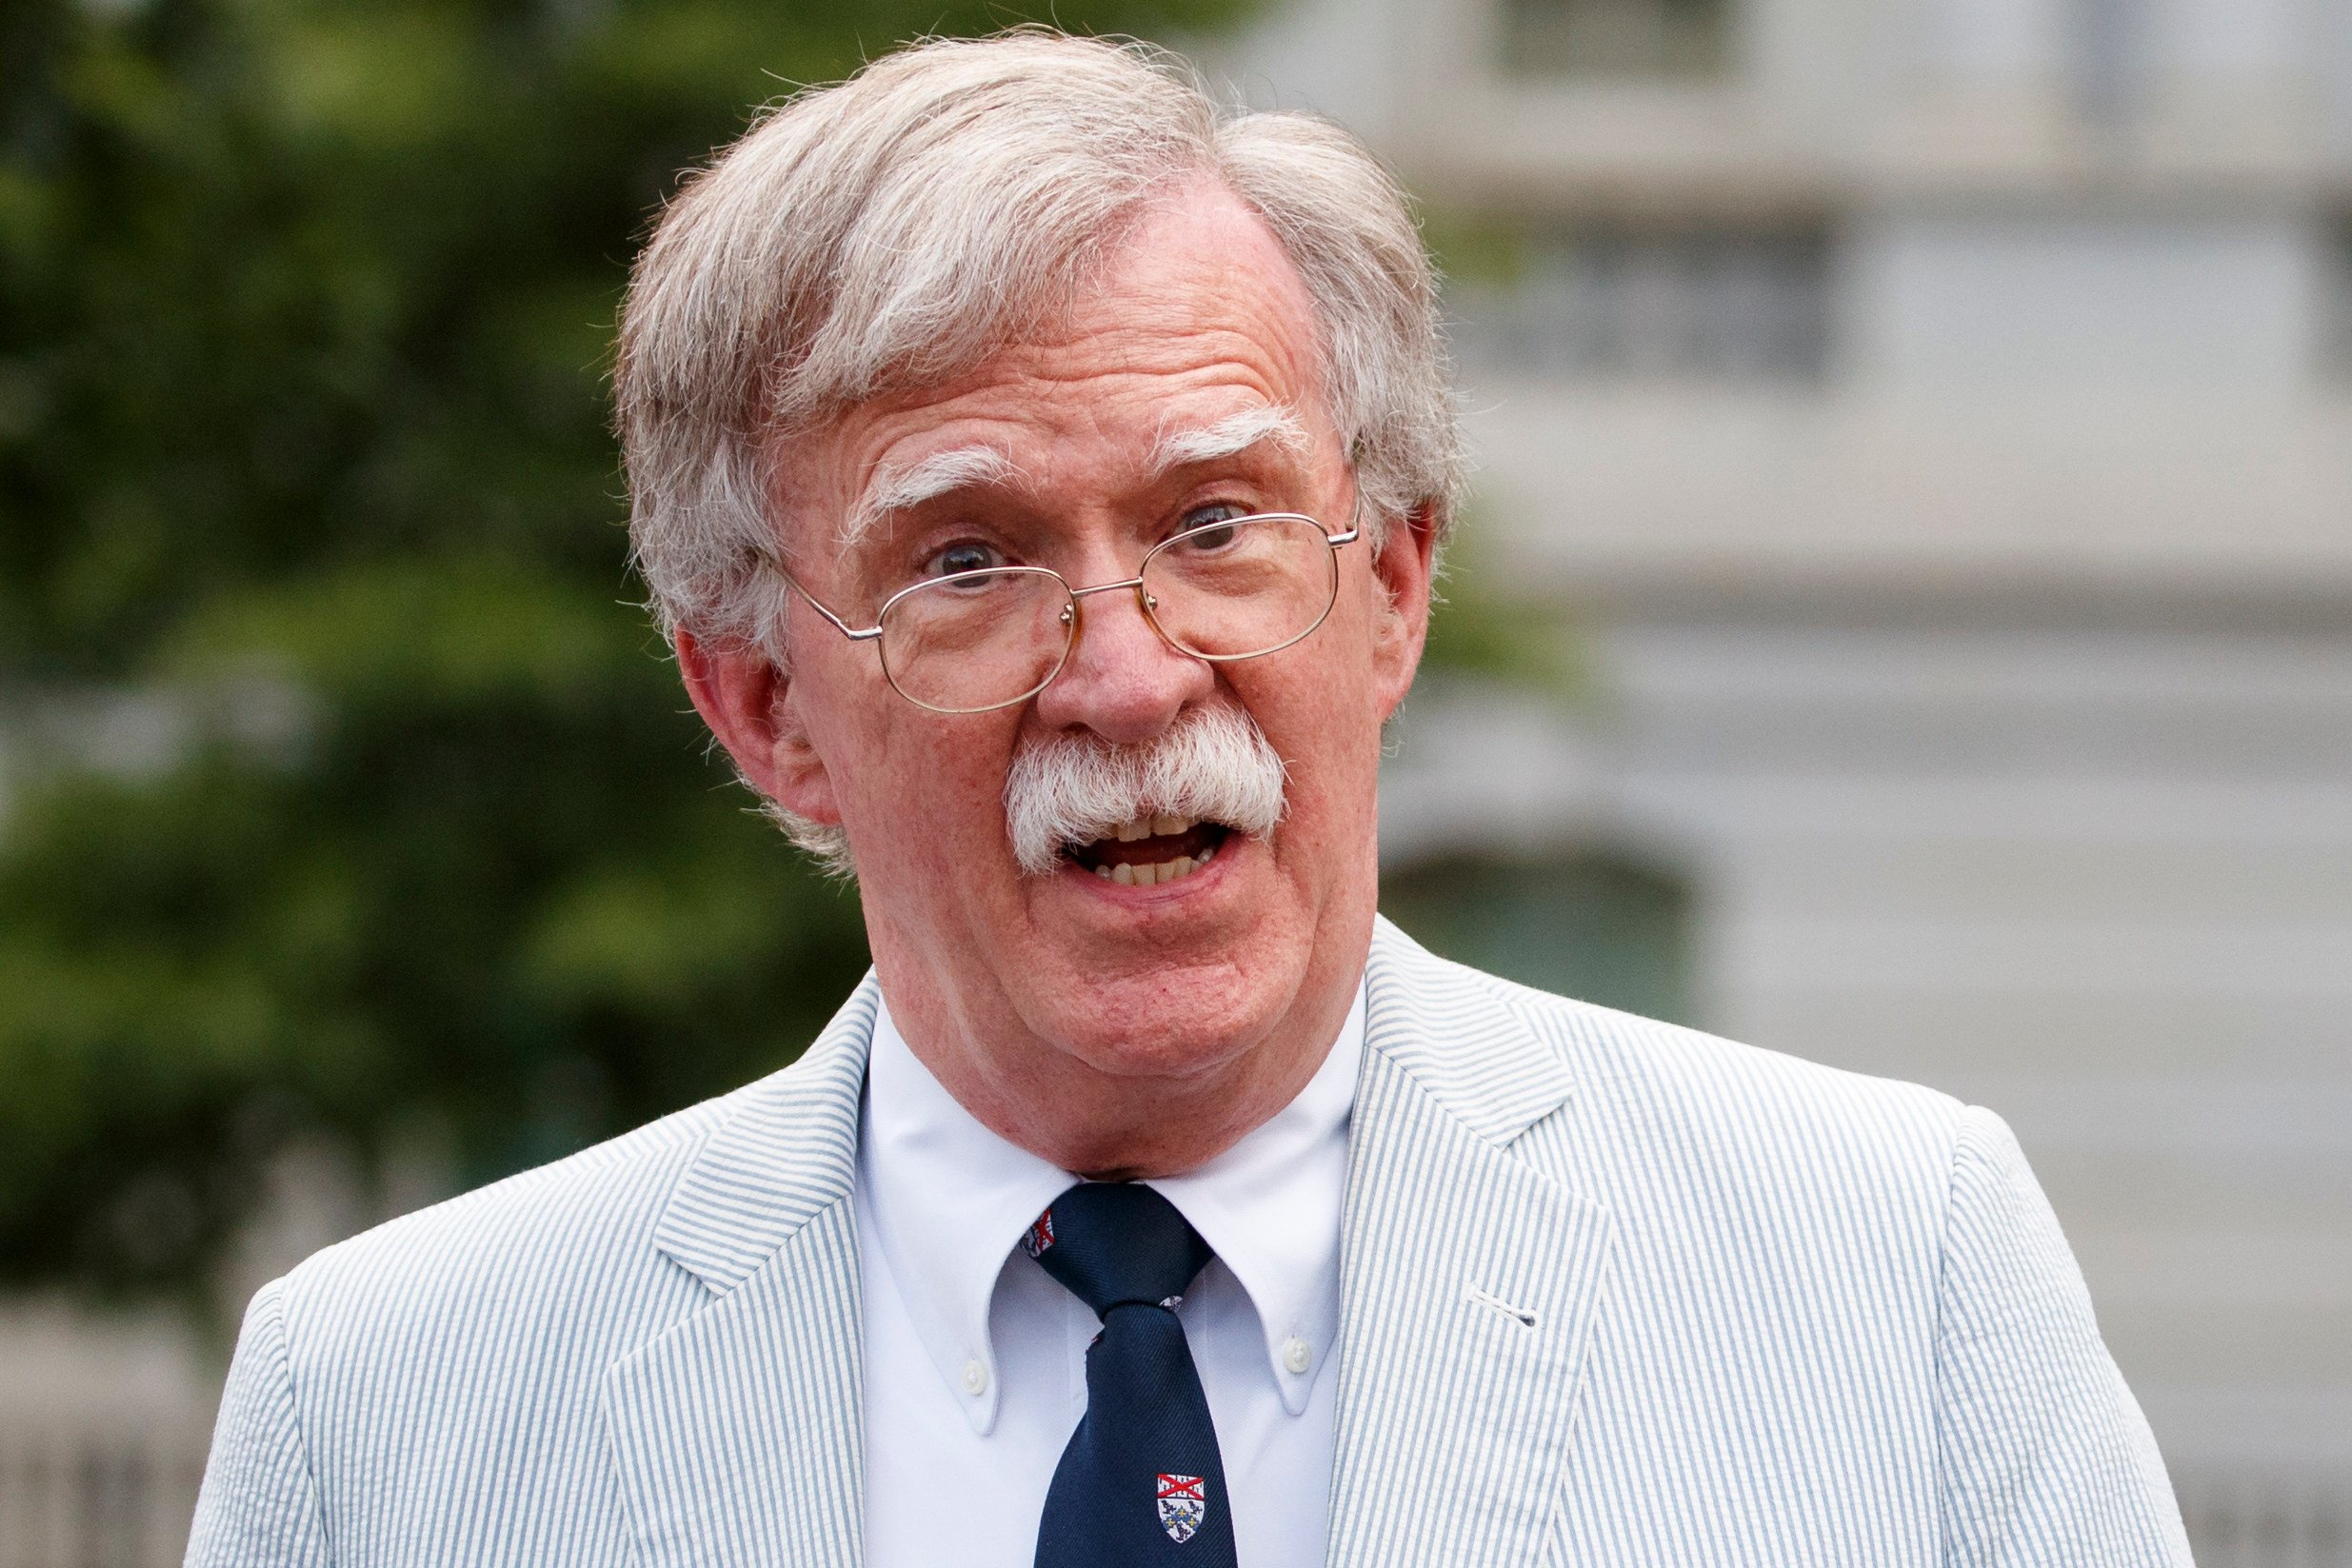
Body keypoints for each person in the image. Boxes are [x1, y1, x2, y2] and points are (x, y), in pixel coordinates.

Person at [186, 30, 2190, 1568]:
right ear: (764, 701)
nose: (1129, 671)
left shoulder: (1890, 1275)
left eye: (1215, 521)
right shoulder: (386, 1415)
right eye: (964, 560)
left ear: (1389, 587)